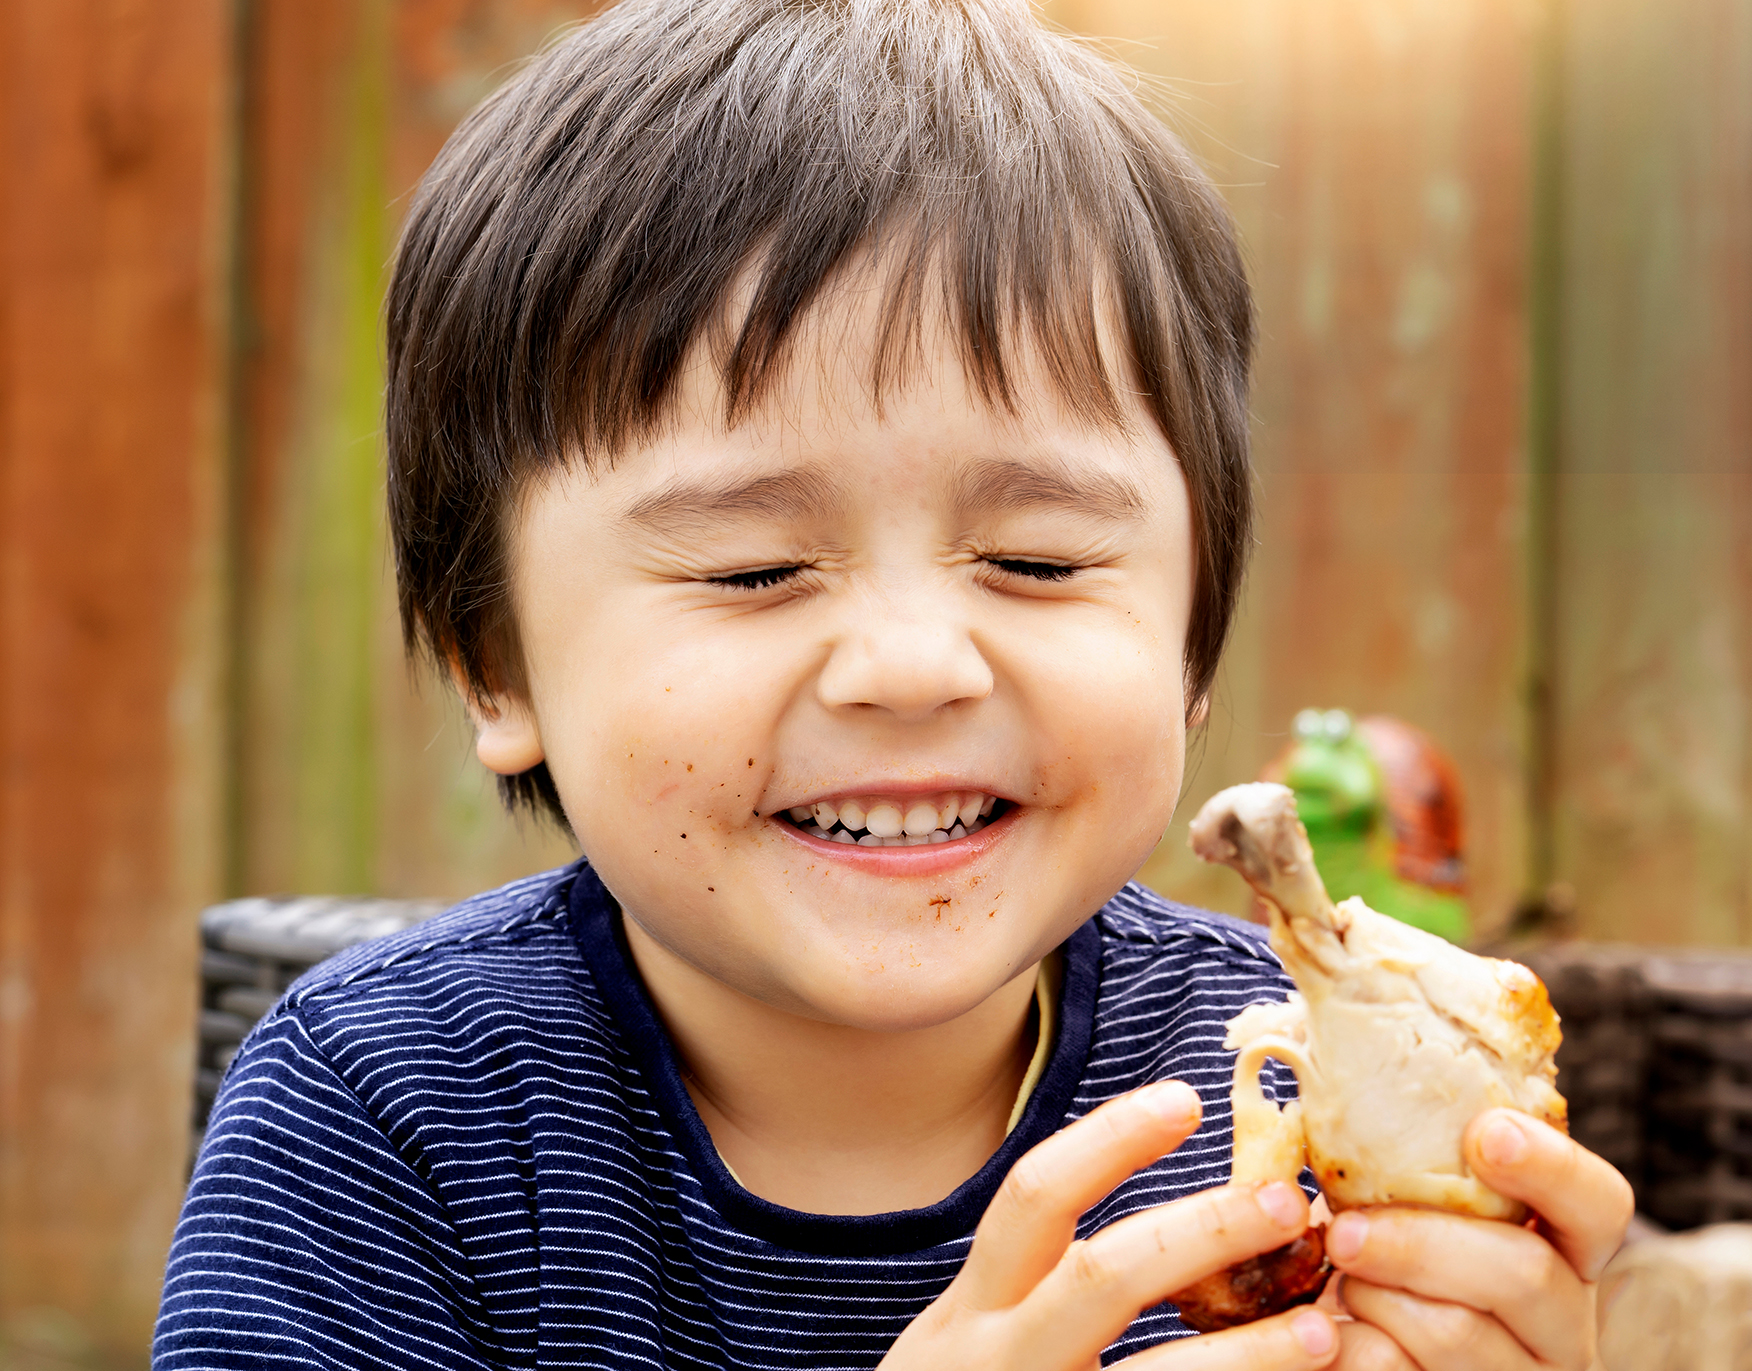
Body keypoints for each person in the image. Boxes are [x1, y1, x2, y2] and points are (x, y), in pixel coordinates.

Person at [154, 0, 1633, 1366]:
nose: (915, 664)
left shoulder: (1305, 1100)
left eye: (1041, 561)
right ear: (497, 660)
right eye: (752, 570)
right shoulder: (381, 1127)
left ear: (1193, 647)